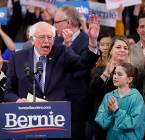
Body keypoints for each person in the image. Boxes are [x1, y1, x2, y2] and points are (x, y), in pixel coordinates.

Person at [4, 14, 100, 103]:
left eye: (50, 37)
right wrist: (17, 100)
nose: (46, 41)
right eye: (42, 37)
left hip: (56, 116)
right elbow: (8, 91)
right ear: (32, 40)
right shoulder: (17, 58)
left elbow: (84, 63)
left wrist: (92, 41)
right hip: (28, 115)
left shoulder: (60, 53)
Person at [53, 5, 95, 140]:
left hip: (78, 106)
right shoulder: (56, 41)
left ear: (69, 22)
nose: (54, 26)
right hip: (57, 103)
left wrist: (68, 47)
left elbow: (83, 65)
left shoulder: (87, 40)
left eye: (56, 22)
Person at [90, 36, 131, 140]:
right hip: (104, 126)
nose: (122, 50)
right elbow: (92, 91)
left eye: (125, 48)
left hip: (126, 125)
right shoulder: (99, 70)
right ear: (111, 51)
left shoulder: (134, 72)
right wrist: (106, 73)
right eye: (118, 47)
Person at [95, 62, 145, 140]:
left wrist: (116, 111)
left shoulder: (137, 98)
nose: (115, 76)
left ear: (129, 79)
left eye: (119, 74)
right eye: (114, 73)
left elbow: (134, 123)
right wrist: (108, 111)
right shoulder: (109, 96)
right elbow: (101, 122)